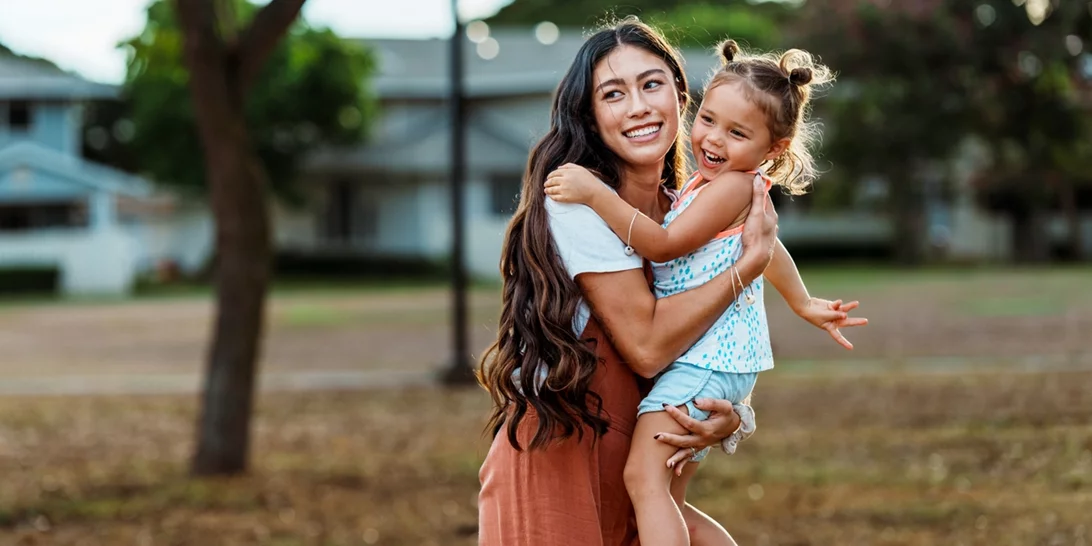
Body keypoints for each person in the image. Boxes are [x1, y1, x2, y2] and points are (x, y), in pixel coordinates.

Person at [477, 18, 863, 546]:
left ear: (679, 96)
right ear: (591, 115)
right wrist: (745, 273)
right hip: (559, 451)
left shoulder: (685, 207)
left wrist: (733, 419)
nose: (637, 105)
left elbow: (715, 320)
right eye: (613, 94)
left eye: (651, 84)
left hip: (627, 452)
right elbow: (649, 348)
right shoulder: (578, 205)